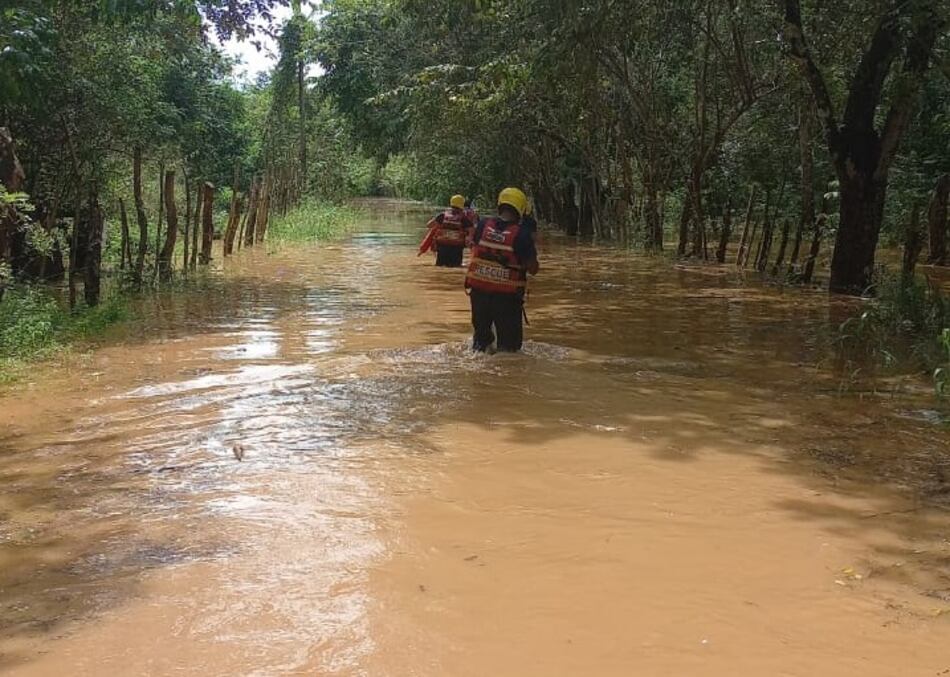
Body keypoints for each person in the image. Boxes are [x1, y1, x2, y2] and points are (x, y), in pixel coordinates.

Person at [465, 187, 539, 353]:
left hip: (478, 295)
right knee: (509, 350)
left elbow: (474, 244)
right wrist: (532, 244)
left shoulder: (483, 225)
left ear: (500, 205)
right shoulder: (522, 234)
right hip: (507, 299)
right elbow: (533, 268)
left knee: (480, 347)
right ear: (521, 209)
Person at [425, 194, 473, 267]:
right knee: (456, 267)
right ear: (462, 205)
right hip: (456, 250)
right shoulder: (464, 218)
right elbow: (472, 231)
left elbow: (428, 225)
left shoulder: (442, 215)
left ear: (451, 203)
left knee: (440, 267)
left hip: (442, 249)